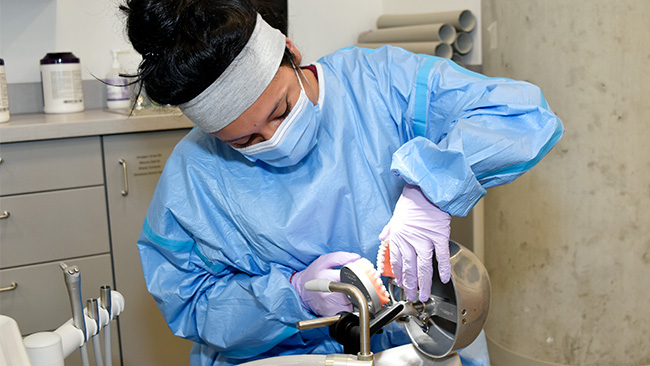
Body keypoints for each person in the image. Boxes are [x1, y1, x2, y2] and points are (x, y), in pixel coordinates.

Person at [120, 0, 564, 365]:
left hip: (417, 338)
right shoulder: (194, 175)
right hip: (284, 354)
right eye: (245, 139)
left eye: (280, 110)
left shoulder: (379, 85)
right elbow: (190, 303)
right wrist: (294, 296)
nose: (275, 139)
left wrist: (430, 189)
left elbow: (521, 116)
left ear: (292, 54)